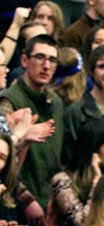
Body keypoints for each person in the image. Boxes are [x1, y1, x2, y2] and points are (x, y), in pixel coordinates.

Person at [0, 34, 64, 211]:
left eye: (52, 60)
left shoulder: (56, 101)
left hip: (50, 199)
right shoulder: (9, 100)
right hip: (17, 200)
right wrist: (26, 200)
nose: (46, 65)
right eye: (40, 57)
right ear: (24, 60)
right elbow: (3, 160)